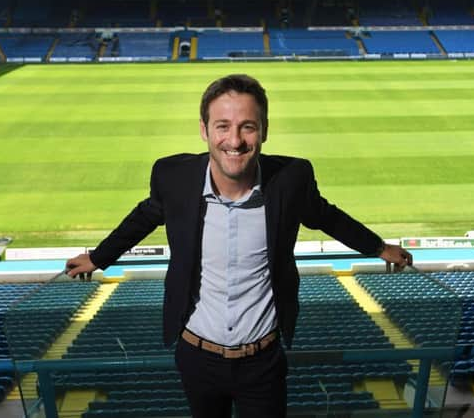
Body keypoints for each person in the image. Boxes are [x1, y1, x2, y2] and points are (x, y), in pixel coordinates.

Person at [65, 74, 413, 418]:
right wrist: (98, 258)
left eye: (248, 126)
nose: (235, 140)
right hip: (195, 355)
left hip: (262, 361)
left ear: (264, 130)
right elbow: (145, 216)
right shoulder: (173, 176)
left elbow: (326, 216)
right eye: (222, 126)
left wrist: (379, 247)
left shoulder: (292, 179)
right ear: (204, 130)